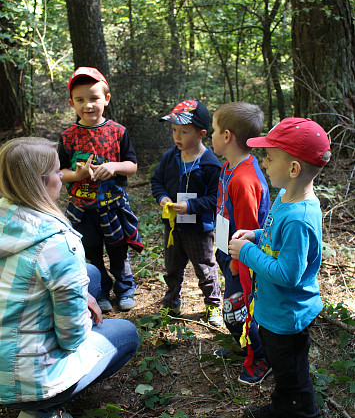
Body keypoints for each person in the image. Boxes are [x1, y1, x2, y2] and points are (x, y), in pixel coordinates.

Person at [0, 137, 139, 418]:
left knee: (90, 273)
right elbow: (71, 338)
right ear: (42, 182)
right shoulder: (58, 243)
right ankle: (41, 410)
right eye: (56, 171)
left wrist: (80, 292)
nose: (62, 175)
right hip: (23, 382)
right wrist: (81, 310)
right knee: (126, 333)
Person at [228, 117, 331, 418]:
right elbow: (275, 240)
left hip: (289, 315)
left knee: (294, 376)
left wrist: (248, 253)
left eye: (269, 157)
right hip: (273, 312)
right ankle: (281, 407)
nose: (263, 162)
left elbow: (288, 273)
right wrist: (255, 236)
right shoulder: (286, 196)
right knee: (281, 368)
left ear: (293, 167)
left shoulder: (300, 216)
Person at [58, 67, 143, 313]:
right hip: (83, 209)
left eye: (94, 98)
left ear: (106, 99)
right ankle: (101, 291)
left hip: (113, 205)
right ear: (71, 103)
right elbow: (59, 172)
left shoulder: (118, 132)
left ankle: (125, 288)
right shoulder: (68, 137)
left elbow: (132, 165)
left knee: (118, 249)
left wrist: (114, 166)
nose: (88, 105)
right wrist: (78, 175)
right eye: (80, 99)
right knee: (91, 251)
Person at [212, 102, 270, 384]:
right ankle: (247, 344)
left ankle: (260, 358)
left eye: (212, 130)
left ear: (226, 136)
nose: (210, 136)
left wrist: (238, 262)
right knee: (235, 310)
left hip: (242, 259)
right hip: (227, 252)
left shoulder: (244, 179)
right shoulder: (229, 167)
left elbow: (249, 228)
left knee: (239, 311)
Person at [151, 99, 223, 326]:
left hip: (199, 229)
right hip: (173, 226)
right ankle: (172, 304)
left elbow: (216, 199)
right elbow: (157, 182)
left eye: (184, 131)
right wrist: (162, 197)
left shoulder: (210, 164)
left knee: (204, 267)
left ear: (201, 133)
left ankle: (213, 305)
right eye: (174, 130)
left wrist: (191, 206)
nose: (177, 137)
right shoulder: (170, 158)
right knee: (172, 267)